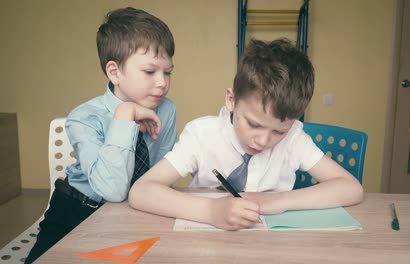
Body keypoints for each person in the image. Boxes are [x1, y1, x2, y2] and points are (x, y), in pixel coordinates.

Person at [128, 38, 363, 231]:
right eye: (253, 124)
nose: (263, 140)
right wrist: (211, 212)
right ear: (231, 100)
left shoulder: (294, 139)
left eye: (279, 131)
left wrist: (277, 201)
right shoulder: (201, 135)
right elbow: (141, 191)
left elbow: (351, 188)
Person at [26, 7, 176, 263]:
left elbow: (162, 175)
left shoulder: (166, 109)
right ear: (114, 72)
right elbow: (112, 189)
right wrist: (124, 115)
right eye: (150, 72)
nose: (162, 82)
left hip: (133, 209)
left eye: (168, 72)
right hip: (76, 210)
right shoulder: (83, 117)